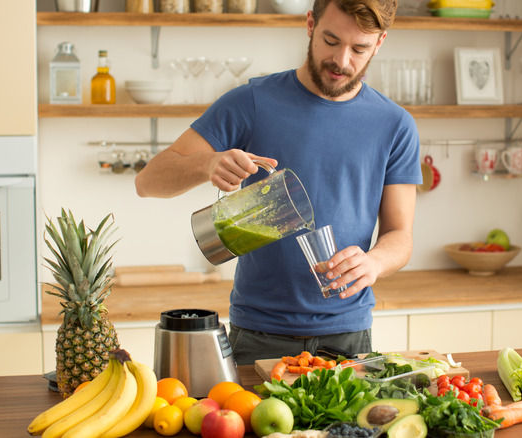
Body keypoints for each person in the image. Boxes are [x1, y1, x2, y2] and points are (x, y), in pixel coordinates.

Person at [135, 0, 422, 365]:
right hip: (257, 334)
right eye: (331, 40)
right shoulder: (251, 102)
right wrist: (207, 164)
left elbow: (401, 235)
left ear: (379, 43)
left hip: (348, 334)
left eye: (359, 48)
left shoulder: (394, 125)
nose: (342, 60)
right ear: (309, 24)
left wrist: (375, 263)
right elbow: (148, 181)